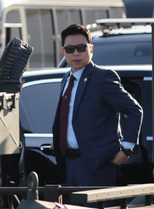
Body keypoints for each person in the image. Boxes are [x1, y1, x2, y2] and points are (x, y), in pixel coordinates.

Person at [52, 24, 143, 186]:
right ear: (63, 51)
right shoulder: (66, 79)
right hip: (70, 163)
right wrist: (60, 139)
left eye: (81, 47)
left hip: (97, 165)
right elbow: (71, 116)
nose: (76, 53)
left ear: (91, 49)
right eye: (70, 49)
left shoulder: (102, 78)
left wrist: (127, 149)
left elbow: (134, 110)